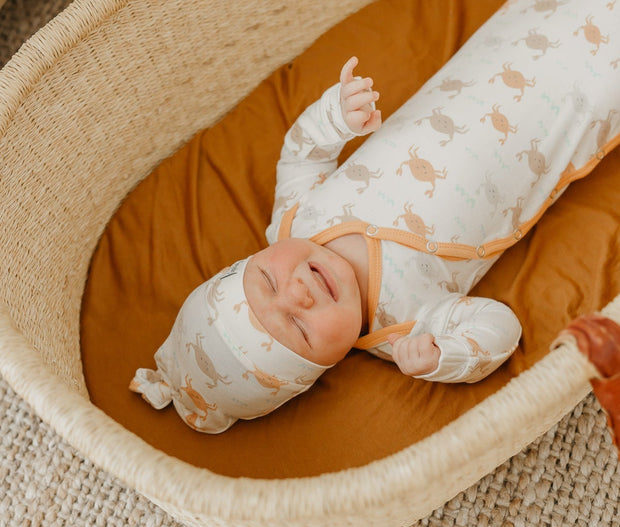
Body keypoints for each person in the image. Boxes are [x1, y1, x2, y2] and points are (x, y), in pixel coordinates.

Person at [131, 0, 620, 432]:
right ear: (323, 367)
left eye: (268, 282)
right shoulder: (406, 326)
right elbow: (500, 328)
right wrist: (443, 356)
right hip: (566, 115)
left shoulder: (293, 221)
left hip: (489, 61)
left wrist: (335, 119)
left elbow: (300, 155)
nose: (298, 294)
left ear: (253, 258)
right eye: (299, 330)